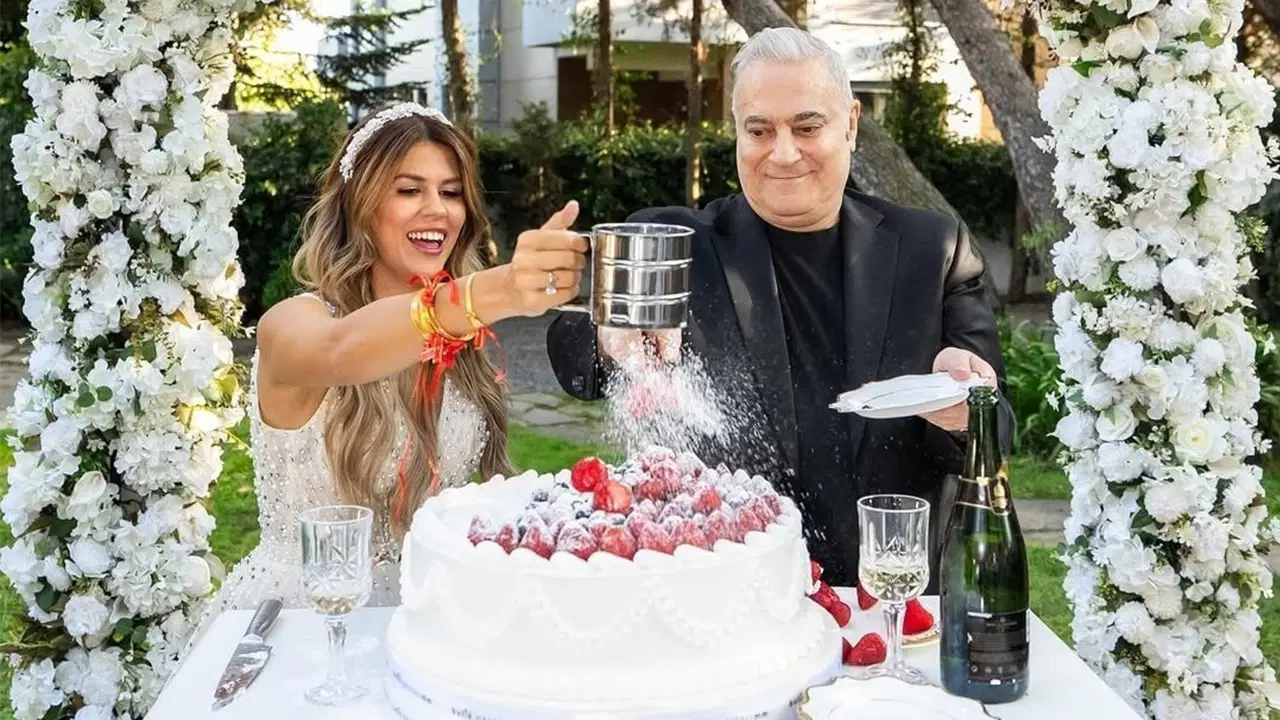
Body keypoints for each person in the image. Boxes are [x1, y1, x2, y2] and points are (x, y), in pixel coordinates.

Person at [546, 28, 1014, 591]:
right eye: (759, 130)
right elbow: (574, 346)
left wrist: (966, 411)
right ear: (736, 132)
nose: (784, 152)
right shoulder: (676, 243)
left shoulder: (932, 249)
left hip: (890, 600)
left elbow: (996, 429)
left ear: (851, 124)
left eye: (807, 127)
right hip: (725, 596)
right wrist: (609, 336)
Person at [190, 103, 589, 633]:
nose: (438, 210)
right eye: (409, 190)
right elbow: (341, 350)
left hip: (424, 618)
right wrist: (501, 290)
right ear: (361, 205)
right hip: (297, 622)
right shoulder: (291, 324)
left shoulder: (461, 345)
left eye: (451, 192)